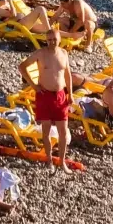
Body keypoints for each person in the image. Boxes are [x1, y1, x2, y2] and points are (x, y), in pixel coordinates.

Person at [32, 40, 76, 170]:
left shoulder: (63, 53)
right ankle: (49, 159)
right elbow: (22, 67)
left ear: (59, 40)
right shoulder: (41, 53)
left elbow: (67, 74)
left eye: (54, 39)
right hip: (44, 95)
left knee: (63, 131)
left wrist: (71, 94)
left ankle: (62, 162)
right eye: (49, 39)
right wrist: (34, 85)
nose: (51, 42)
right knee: (46, 131)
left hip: (60, 95)